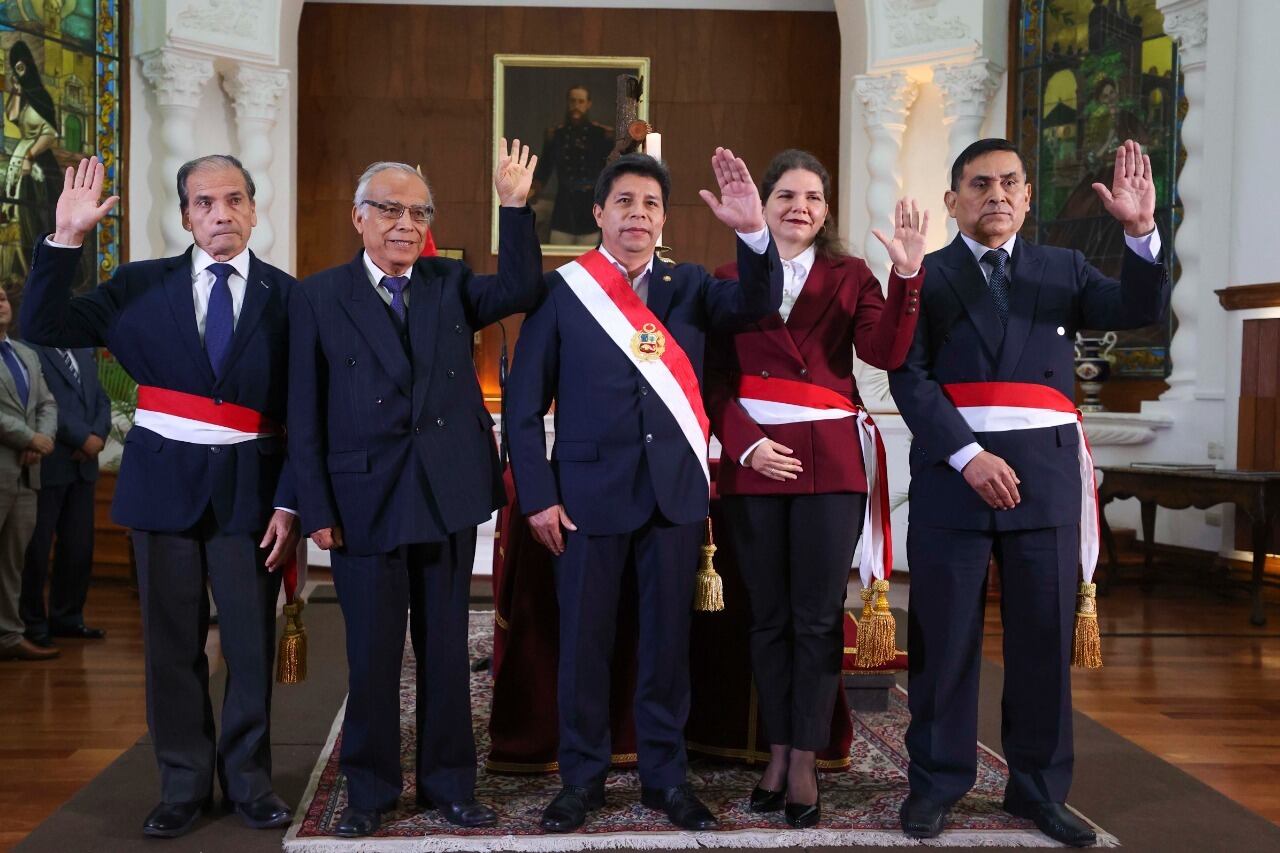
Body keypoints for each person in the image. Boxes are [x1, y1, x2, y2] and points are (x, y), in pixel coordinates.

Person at [888, 138, 1169, 847]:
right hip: (955, 478)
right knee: (943, 640)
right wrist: (968, 454)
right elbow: (908, 375)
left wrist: (1139, 231)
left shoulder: (1063, 267)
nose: (997, 195)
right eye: (979, 184)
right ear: (954, 200)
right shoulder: (927, 272)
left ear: (1027, 194)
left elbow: (1140, 306)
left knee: (1042, 642)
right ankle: (937, 783)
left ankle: (1038, 788)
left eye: (1010, 182)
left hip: (1042, 481)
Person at [20, 154, 300, 839]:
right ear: (185, 215)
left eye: (234, 199)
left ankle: (249, 781)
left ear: (255, 210)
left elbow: (304, 409)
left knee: (249, 642)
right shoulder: (138, 285)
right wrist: (65, 240)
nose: (221, 213)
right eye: (204, 202)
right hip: (160, 493)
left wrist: (293, 502)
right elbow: (43, 326)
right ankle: (181, 782)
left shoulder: (288, 297)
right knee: (170, 646)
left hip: (251, 498)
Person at [506, 149, 783, 834]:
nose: (638, 215)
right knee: (584, 644)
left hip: (673, 495)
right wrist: (537, 495)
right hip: (585, 495)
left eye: (651, 205)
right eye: (624, 202)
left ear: (664, 219)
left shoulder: (689, 284)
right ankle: (581, 779)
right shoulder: (564, 290)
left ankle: (666, 777)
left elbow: (757, 303)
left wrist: (754, 235)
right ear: (598, 213)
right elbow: (520, 405)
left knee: (666, 646)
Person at [287, 139, 543, 838]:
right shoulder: (317, 296)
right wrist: (315, 505)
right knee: (371, 656)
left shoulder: (448, 283)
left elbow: (521, 288)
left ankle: (449, 784)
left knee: (445, 649)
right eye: (390, 209)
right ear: (358, 217)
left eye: (418, 212)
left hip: (447, 493)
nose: (405, 223)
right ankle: (368, 792)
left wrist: (514, 207)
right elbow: (303, 411)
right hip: (361, 499)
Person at [705, 148, 926, 828]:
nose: (799, 206)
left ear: (826, 210)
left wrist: (908, 276)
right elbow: (711, 377)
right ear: (762, 204)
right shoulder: (724, 278)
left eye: (813, 196)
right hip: (754, 460)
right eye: (786, 195)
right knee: (766, 617)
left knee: (817, 617)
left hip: (830, 463)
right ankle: (775, 748)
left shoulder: (852, 274)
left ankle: (805, 757)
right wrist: (744, 441)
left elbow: (884, 353)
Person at [20, 343, 111, 647]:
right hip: (50, 462)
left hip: (84, 467)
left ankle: (68, 618)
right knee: (36, 549)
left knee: (78, 548)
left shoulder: (82, 352)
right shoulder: (30, 349)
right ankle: (32, 622)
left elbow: (101, 398)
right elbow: (45, 403)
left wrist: (98, 435)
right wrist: (83, 438)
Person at [0, 287, 57, 661]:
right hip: (5, 464)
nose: (0, 304)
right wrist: (30, 438)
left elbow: (47, 403)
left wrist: (42, 439)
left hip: (26, 477)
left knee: (12, 561)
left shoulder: (26, 354)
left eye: (3, 297)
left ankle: (8, 635)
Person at [3, 40, 62, 273]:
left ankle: (38, 262)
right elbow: (13, 117)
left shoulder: (42, 97)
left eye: (21, 67)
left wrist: (30, 155)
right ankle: (20, 265)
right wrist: (16, 91)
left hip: (40, 161)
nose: (19, 73)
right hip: (21, 157)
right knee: (16, 209)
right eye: (14, 69)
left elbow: (50, 133)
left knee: (38, 211)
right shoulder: (24, 96)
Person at [530, 85, 613, 245]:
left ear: (588, 104)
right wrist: (531, 191)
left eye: (581, 101)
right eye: (573, 101)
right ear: (568, 103)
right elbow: (544, 169)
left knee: (590, 261)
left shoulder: (602, 135)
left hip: (591, 206)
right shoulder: (556, 135)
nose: (576, 105)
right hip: (564, 206)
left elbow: (610, 172)